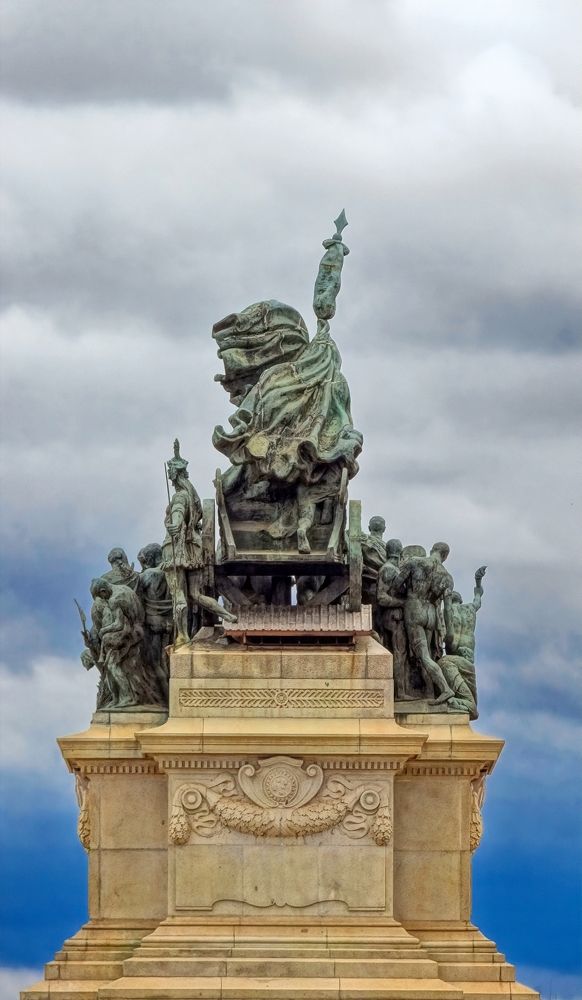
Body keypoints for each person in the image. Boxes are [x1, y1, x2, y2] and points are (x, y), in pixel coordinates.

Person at [162, 439, 236, 647]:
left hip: (176, 548)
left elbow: (178, 513)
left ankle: (182, 636)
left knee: (179, 595)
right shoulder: (192, 495)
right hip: (194, 547)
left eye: (170, 473)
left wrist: (175, 525)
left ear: (174, 475)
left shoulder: (179, 497)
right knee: (196, 594)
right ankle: (228, 615)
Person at [393, 542, 455, 704]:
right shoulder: (447, 577)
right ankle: (429, 692)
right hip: (431, 614)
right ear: (445, 556)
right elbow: (448, 609)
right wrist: (450, 631)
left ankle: (445, 689)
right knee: (427, 656)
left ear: (432, 550)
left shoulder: (415, 562)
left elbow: (396, 584)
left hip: (414, 609)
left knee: (424, 657)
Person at [376, 538, 414, 699]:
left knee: (400, 654)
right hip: (393, 618)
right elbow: (381, 597)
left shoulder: (394, 569)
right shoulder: (388, 570)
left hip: (396, 617)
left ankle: (400, 691)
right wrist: (402, 603)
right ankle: (400, 693)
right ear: (400, 552)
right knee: (399, 654)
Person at [137, 542, 173, 701]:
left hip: (153, 625)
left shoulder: (148, 575)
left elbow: (133, 595)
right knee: (167, 662)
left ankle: (167, 698)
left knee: (155, 663)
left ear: (150, 558)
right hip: (170, 624)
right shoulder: (171, 572)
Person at [446, 566, 486, 663]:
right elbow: (478, 596)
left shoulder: (446, 611)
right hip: (468, 645)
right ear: (461, 600)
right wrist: (478, 580)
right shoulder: (471, 608)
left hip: (453, 646)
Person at [361, 515, 387, 609]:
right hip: (383, 587)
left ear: (369, 528)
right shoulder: (389, 548)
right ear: (384, 529)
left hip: (364, 584)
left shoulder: (362, 540)